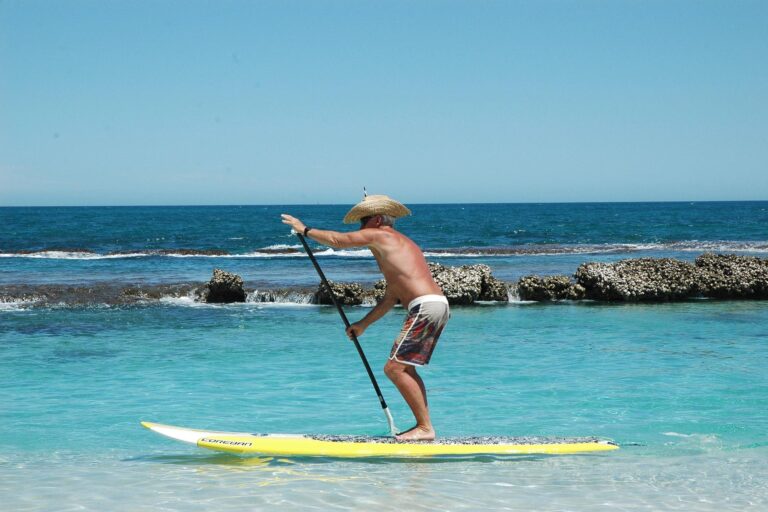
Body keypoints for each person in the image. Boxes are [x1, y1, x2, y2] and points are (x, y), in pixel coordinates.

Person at [281, 194, 449, 441]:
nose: (360, 229)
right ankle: (424, 426)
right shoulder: (399, 246)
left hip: (425, 307)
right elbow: (391, 297)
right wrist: (362, 325)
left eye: (364, 221)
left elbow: (339, 240)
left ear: (379, 219)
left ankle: (425, 428)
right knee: (403, 369)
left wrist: (304, 229)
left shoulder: (382, 235)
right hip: (433, 306)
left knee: (395, 368)